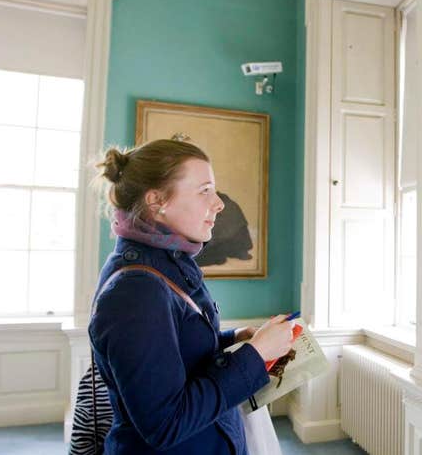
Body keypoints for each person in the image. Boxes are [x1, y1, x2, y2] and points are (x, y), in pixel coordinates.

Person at [89, 139, 295, 453]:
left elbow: (177, 349)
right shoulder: (135, 292)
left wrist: (236, 338)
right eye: (204, 190)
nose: (219, 203)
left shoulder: (165, 263)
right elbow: (165, 423)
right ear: (157, 200)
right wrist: (254, 354)